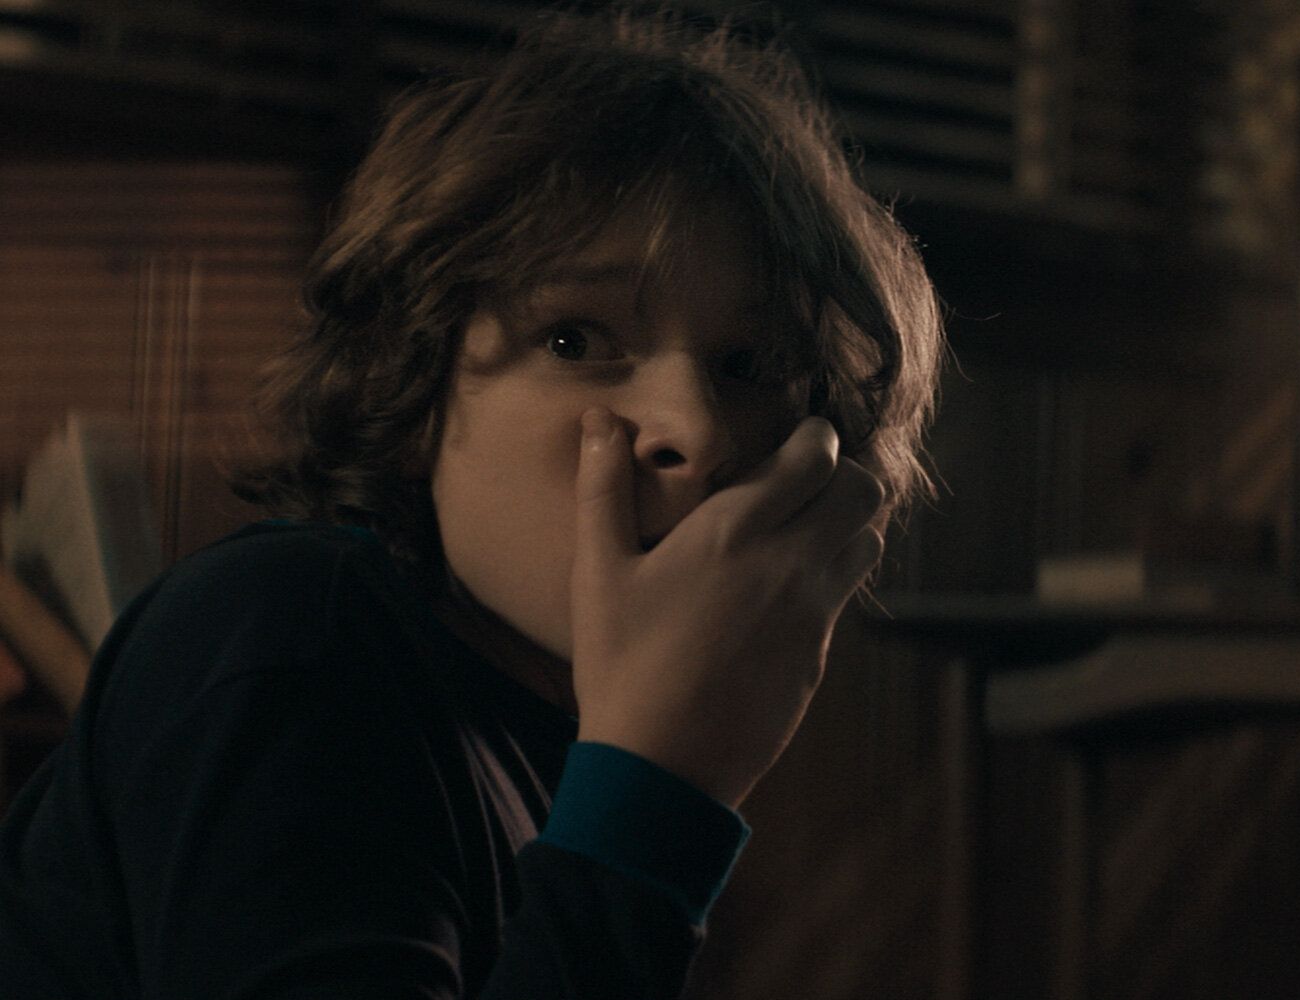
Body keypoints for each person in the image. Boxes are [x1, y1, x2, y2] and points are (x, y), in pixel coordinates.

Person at [0, 6, 943, 998]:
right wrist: (656, 795)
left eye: (747, 364)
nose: (694, 428)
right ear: (411, 389)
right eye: (575, 340)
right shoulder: (291, 636)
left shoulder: (552, 735)